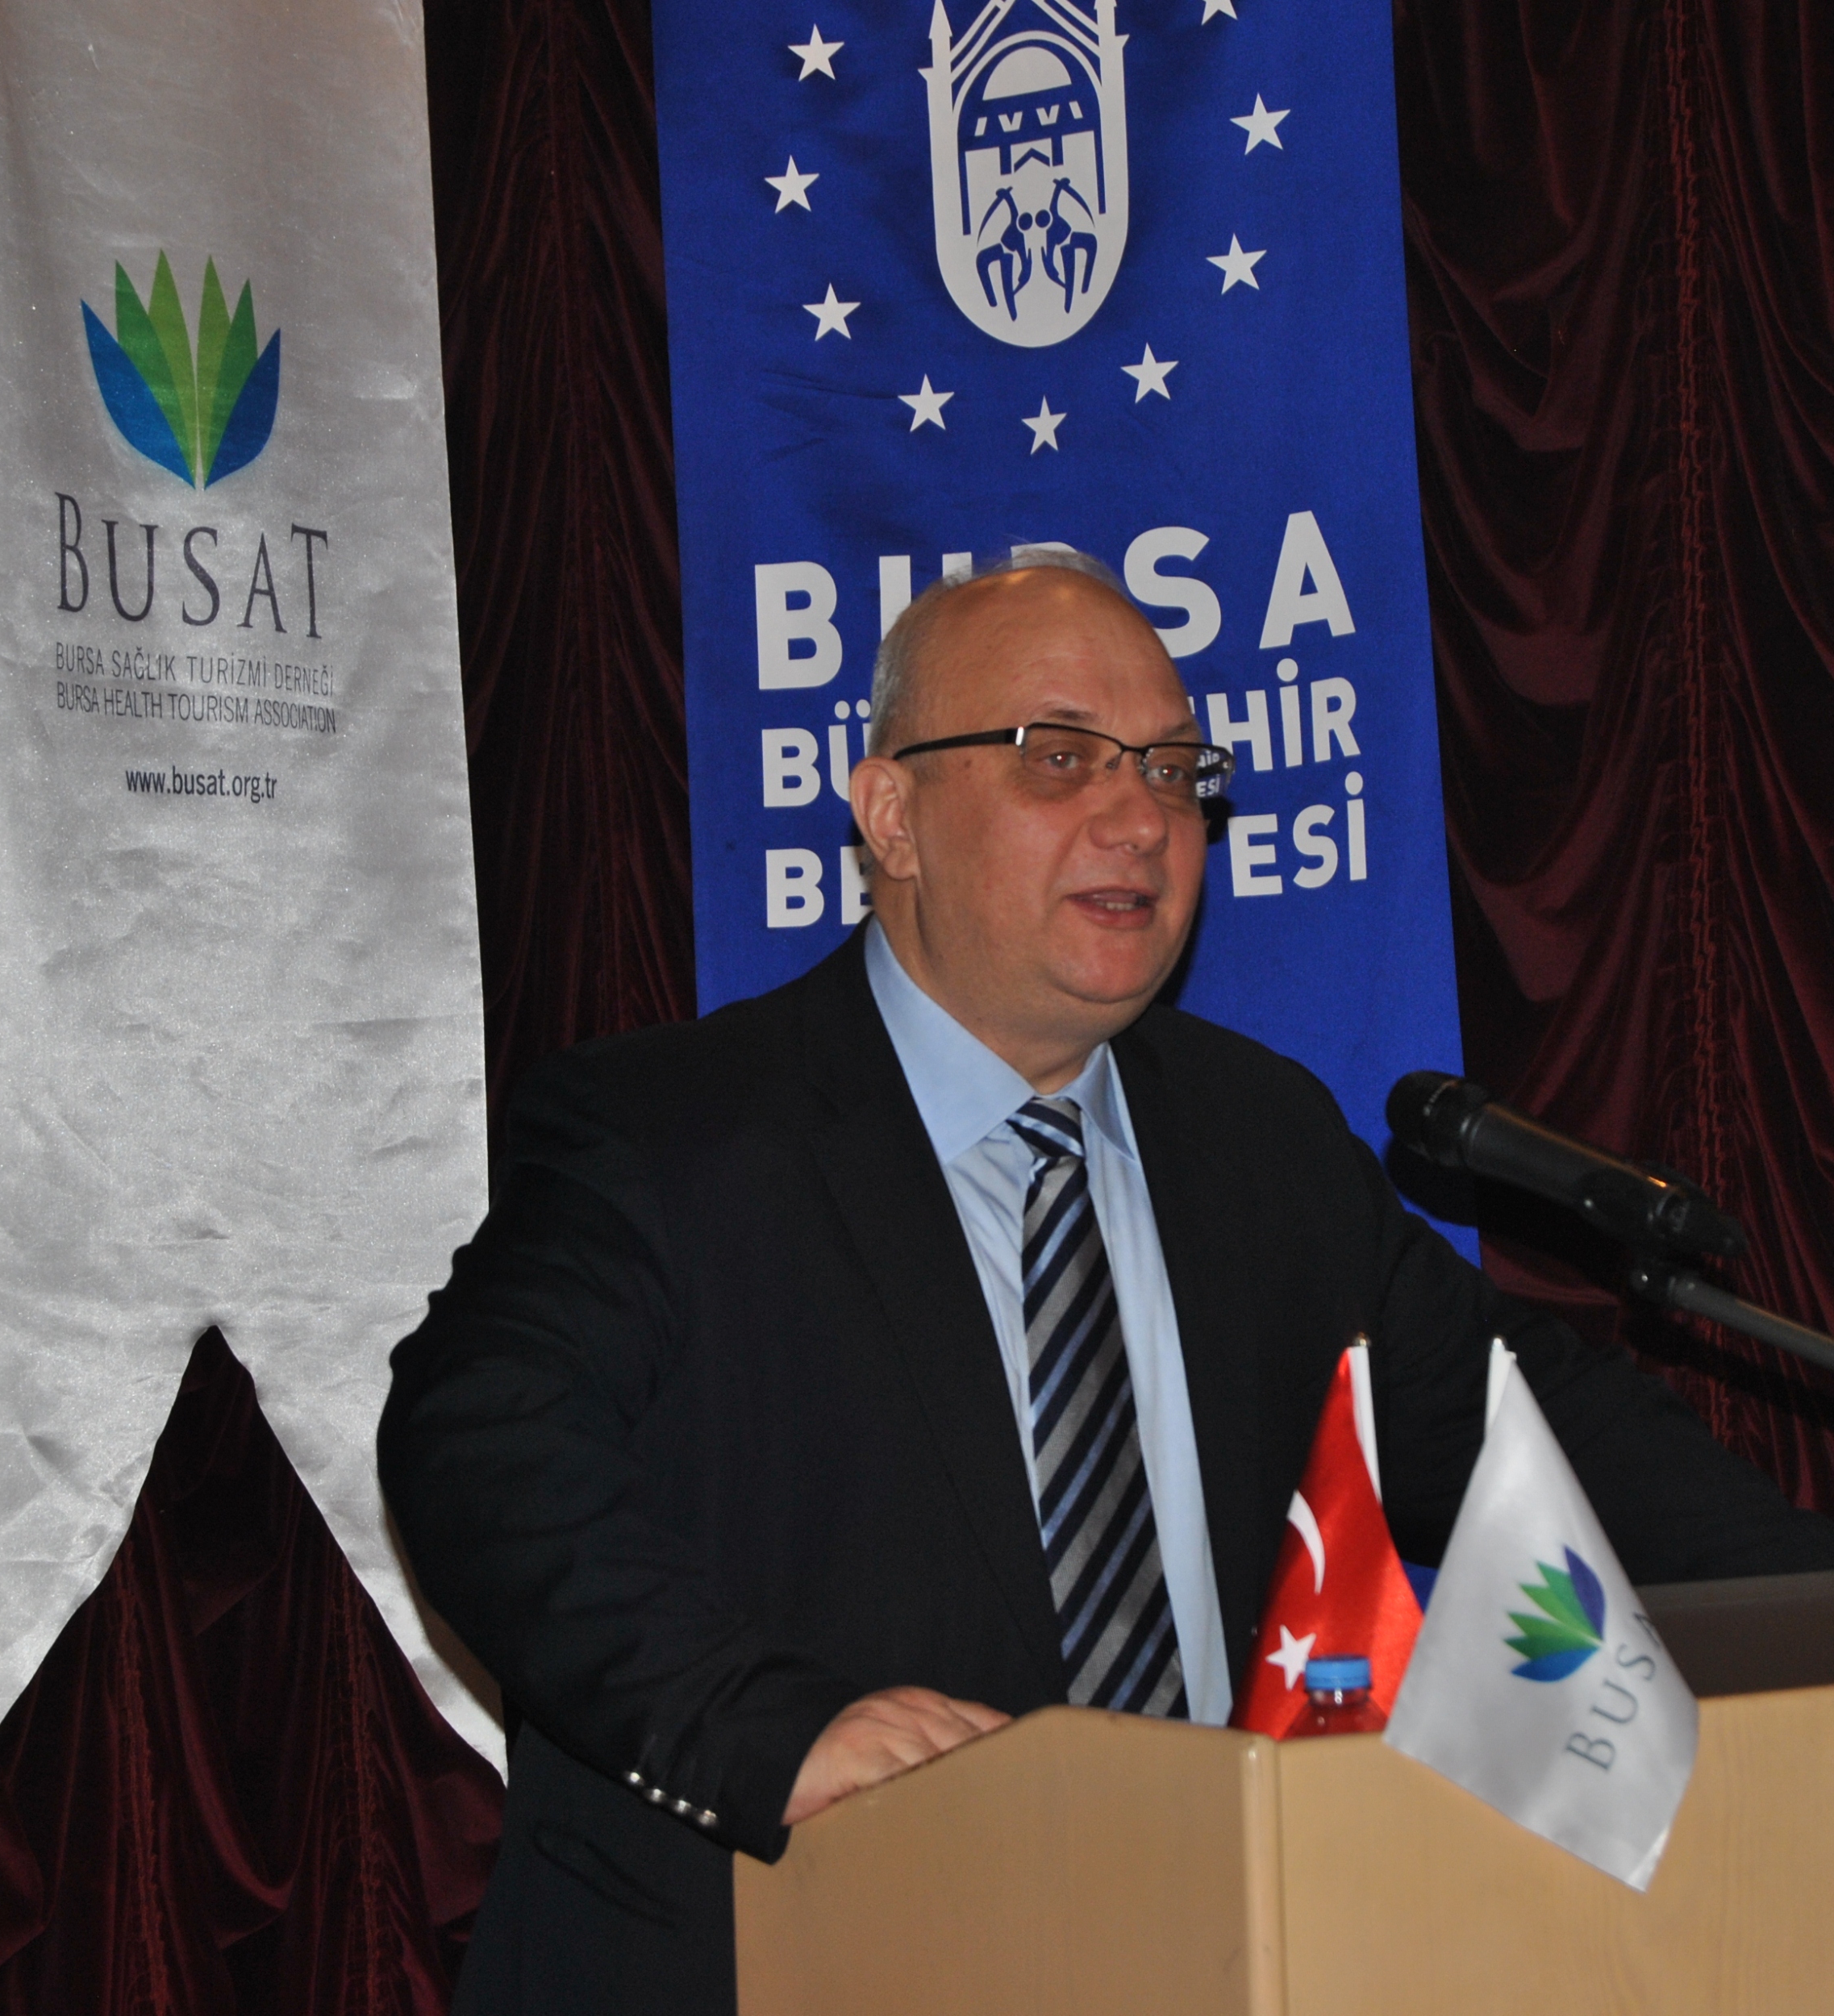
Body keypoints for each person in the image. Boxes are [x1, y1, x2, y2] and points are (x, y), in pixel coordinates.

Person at [379, 552, 1834, 2016]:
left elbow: (1535, 1434)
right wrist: (758, 1727)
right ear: (891, 814)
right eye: (1057, 756)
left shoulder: (1258, 1140)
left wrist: (1817, 1611)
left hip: (1191, 1954)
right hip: (789, 1958)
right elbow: (479, 1446)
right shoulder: (671, 1132)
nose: (1141, 818)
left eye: (1175, 770)